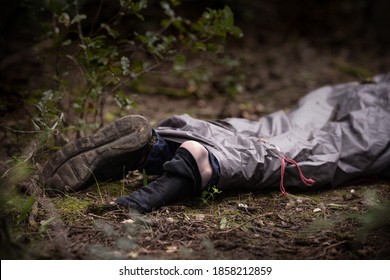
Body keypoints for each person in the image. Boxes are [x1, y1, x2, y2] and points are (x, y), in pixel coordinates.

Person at [42, 74, 390, 213]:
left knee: (273, 126)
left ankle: (158, 148)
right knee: (331, 148)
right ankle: (202, 161)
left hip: (352, 88)